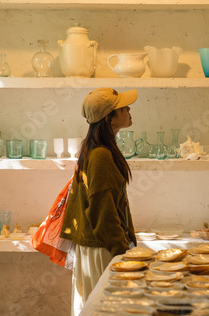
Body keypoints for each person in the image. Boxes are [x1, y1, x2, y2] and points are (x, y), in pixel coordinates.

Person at [60, 87, 138, 315]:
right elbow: (103, 214)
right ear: (109, 118)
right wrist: (123, 252)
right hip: (103, 249)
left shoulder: (95, 149)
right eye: (123, 108)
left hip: (96, 247)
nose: (129, 109)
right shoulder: (102, 155)